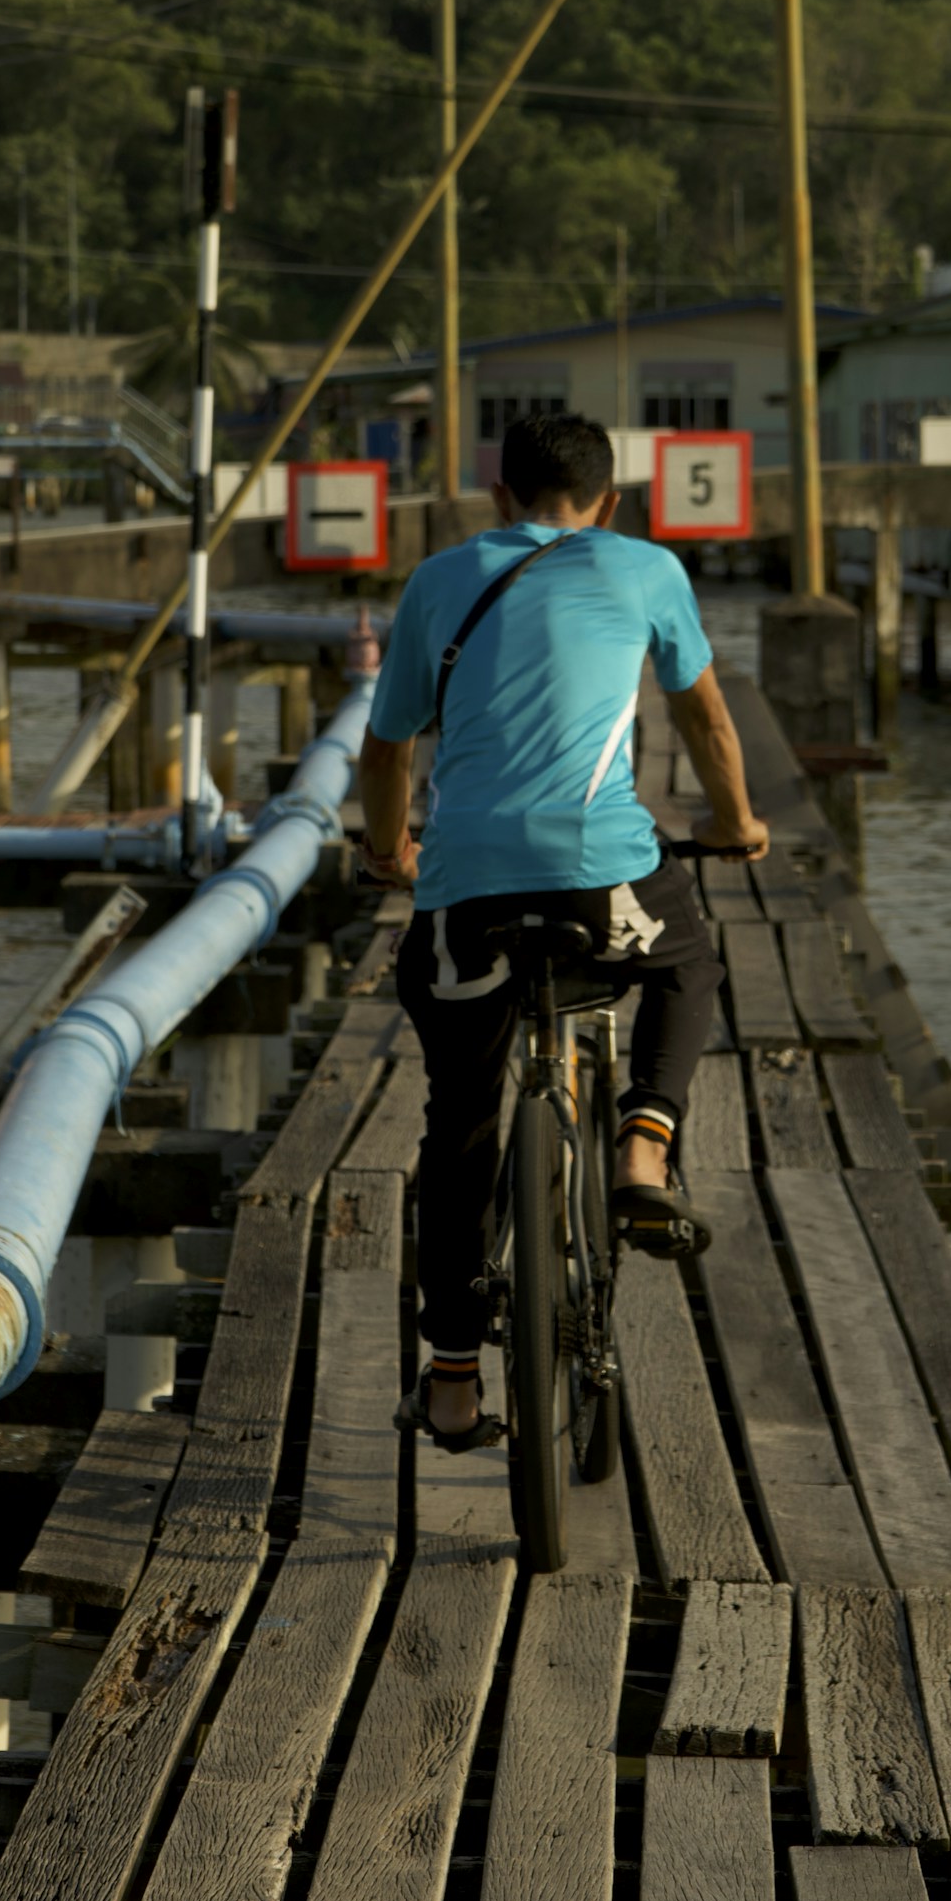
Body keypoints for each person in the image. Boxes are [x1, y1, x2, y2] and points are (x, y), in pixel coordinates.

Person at [358, 410, 770, 1446]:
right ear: (611, 503)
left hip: (466, 893)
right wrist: (736, 823)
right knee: (689, 964)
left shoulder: (439, 579)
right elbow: (706, 720)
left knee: (458, 1124)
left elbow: (387, 747)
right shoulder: (643, 569)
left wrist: (386, 854)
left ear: (498, 498)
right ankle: (643, 1145)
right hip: (605, 880)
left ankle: (452, 1381)